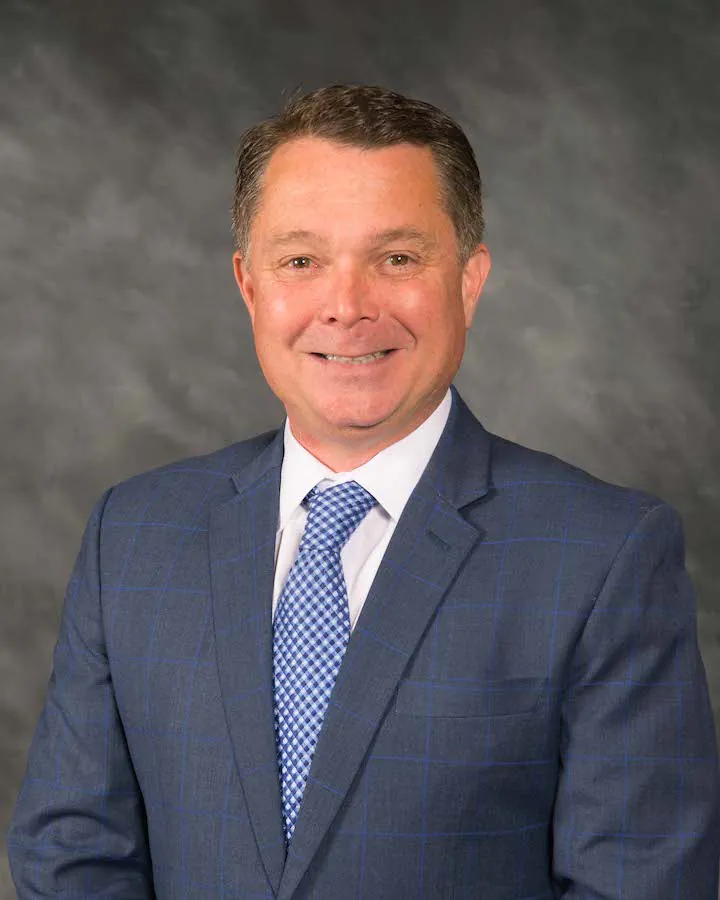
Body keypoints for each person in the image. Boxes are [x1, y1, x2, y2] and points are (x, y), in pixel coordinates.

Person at [7, 83, 719, 899]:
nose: (346, 307)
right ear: (250, 286)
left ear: (469, 280)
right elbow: (72, 859)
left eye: (398, 258)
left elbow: (638, 883)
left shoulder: (604, 556)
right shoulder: (131, 534)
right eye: (302, 261)